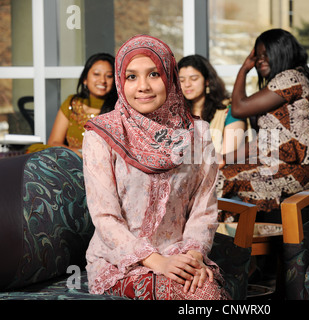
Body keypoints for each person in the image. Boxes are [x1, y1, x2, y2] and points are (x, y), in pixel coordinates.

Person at [82, 34, 229, 300]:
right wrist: (158, 262)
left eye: (153, 74)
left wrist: (194, 257)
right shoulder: (102, 135)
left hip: (180, 254)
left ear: (169, 76)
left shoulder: (198, 133)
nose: (143, 87)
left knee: (202, 288)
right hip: (121, 262)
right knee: (194, 295)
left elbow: (203, 207)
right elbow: (105, 218)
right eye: (131, 77)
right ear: (120, 81)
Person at [216, 29, 309, 215]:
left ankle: (216, 240)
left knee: (217, 181)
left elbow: (238, 108)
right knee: (211, 176)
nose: (259, 60)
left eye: (266, 54)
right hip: (274, 164)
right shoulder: (279, 86)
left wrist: (243, 70)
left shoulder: (291, 78)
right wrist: (224, 159)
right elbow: (262, 143)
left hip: (295, 172)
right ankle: (218, 239)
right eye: (258, 56)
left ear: (282, 53)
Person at [26, 53, 117, 157]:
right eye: (96, 74)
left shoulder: (118, 109)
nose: (102, 80)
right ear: (85, 79)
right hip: (72, 162)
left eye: (109, 76)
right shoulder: (72, 104)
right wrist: (78, 153)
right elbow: (54, 143)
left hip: (103, 166)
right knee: (35, 150)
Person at [178, 54, 251, 155]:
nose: (187, 84)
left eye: (193, 79)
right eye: (181, 80)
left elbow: (228, 157)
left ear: (207, 81)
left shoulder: (228, 111)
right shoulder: (177, 113)